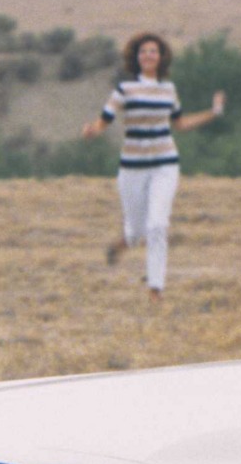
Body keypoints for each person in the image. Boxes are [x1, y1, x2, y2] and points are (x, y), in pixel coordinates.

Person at [81, 33, 225, 301]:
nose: (148, 55)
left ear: (161, 58)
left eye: (153, 52)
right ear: (136, 57)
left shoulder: (168, 90)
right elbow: (104, 120)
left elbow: (180, 124)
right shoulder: (124, 91)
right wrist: (92, 131)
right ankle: (123, 243)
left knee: (158, 225)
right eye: (144, 51)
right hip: (132, 168)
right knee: (136, 231)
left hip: (165, 164)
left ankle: (155, 289)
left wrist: (213, 113)